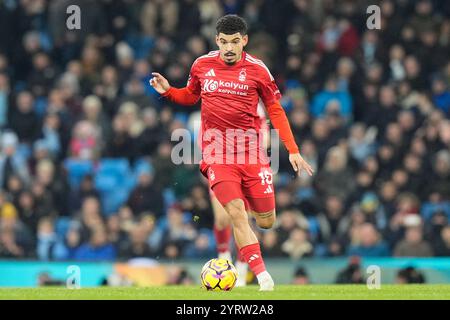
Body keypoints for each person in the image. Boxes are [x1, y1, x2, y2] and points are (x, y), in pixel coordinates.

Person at [150, 14, 313, 291]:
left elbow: (275, 109)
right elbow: (191, 96)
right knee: (236, 214)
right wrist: (169, 92)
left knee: (266, 221)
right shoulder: (202, 65)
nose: (228, 47)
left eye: (234, 42)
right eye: (223, 41)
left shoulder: (258, 70)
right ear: (216, 40)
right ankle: (261, 277)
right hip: (217, 154)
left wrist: (293, 150)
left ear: (244, 41)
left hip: (252, 155)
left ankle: (239, 256)